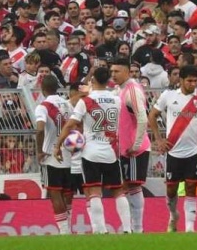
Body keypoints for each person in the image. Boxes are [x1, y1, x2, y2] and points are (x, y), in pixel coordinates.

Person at [56, 67, 131, 235]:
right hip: (112, 151)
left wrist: (58, 145)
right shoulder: (116, 99)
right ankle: (127, 229)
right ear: (108, 81)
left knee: (94, 191)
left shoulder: (86, 101)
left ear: (93, 81)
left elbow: (70, 124)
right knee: (118, 190)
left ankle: (102, 231)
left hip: (90, 151)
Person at [150, 65, 197, 232]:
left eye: (195, 81)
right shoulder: (168, 95)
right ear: (181, 80)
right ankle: (173, 215)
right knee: (171, 188)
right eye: (189, 81)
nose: (193, 84)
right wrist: (158, 139)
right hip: (173, 150)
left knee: (192, 187)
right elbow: (152, 115)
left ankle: (190, 227)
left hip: (193, 151)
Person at [112, 57, 151, 233]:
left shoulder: (133, 91)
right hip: (123, 148)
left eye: (117, 71)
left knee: (133, 185)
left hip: (134, 149)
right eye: (112, 71)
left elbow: (143, 119)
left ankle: (137, 228)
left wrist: (136, 144)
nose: (113, 74)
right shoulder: (119, 89)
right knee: (126, 185)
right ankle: (134, 228)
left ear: (127, 72)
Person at [35, 75, 74, 234]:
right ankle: (68, 228)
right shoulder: (68, 104)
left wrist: (39, 151)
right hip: (69, 155)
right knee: (68, 193)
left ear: (43, 89)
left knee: (55, 193)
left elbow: (39, 129)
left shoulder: (42, 106)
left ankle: (64, 231)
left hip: (51, 157)